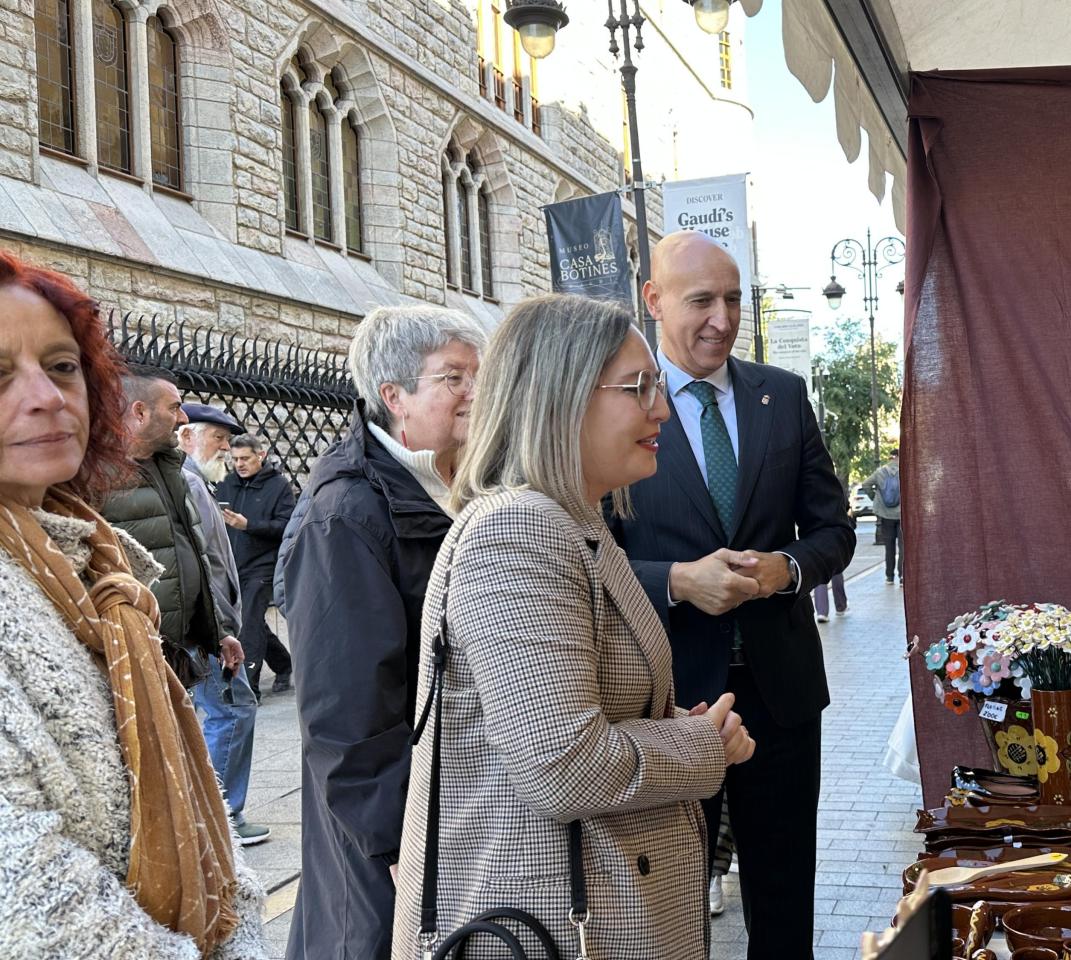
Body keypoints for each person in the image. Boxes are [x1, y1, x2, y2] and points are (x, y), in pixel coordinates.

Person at [393, 294, 752, 960]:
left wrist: (672, 726)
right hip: (544, 921)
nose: (661, 408)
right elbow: (563, 767)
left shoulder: (574, 521)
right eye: (637, 387)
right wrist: (701, 746)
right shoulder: (518, 530)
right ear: (560, 396)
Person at [0, 249, 267, 957]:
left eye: (62, 367)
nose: (47, 397)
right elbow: (33, 899)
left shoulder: (92, 556)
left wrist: (242, 932)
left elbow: (190, 786)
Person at [608, 231, 855, 959]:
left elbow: (834, 528)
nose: (722, 318)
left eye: (734, 299)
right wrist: (677, 582)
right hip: (668, 702)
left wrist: (788, 567)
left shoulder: (784, 396)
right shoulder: (617, 405)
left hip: (780, 697)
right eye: (701, 301)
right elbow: (593, 551)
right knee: (668, 903)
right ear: (652, 301)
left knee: (784, 900)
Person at [280, 305, 485, 960]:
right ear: (394, 396)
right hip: (391, 833)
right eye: (453, 377)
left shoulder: (458, 485)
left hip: (455, 806)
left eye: (477, 375)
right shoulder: (345, 512)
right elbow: (346, 709)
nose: (474, 392)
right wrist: (399, 839)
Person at [101, 364, 244, 691]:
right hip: (135, 656)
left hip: (179, 652)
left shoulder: (172, 470)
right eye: (174, 408)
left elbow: (193, 554)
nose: (182, 419)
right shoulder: (99, 478)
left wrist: (218, 632)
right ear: (140, 412)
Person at [181, 404, 270, 845]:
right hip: (209, 628)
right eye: (217, 438)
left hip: (208, 623)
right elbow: (200, 564)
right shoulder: (191, 483)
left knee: (219, 710)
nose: (225, 447)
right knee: (233, 709)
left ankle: (213, 812)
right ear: (187, 438)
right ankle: (224, 816)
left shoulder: (195, 482)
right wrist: (220, 629)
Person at [217, 434, 296, 695]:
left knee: (249, 624)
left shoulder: (279, 486)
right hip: (233, 565)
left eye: (245, 458)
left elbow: (287, 526)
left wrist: (249, 525)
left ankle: (246, 689)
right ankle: (283, 664)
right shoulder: (227, 484)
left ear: (260, 456)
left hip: (263, 566)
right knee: (250, 622)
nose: (239, 464)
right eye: (235, 459)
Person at [864, 447, 902, 583]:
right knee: (903, 547)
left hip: (885, 515)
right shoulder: (905, 470)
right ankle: (902, 576)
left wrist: (875, 497)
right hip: (902, 515)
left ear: (890, 457)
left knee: (889, 546)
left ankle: (889, 576)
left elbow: (866, 484)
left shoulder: (880, 472)